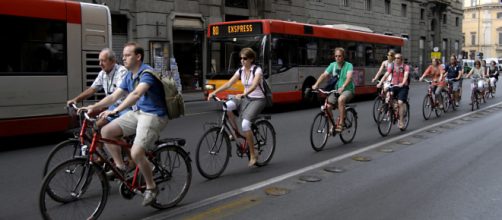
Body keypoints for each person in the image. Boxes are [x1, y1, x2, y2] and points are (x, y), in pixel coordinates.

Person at [81, 42, 168, 206]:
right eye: (123, 56)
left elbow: (136, 94)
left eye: (127, 55)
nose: (124, 58)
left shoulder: (146, 73)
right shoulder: (129, 75)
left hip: (153, 115)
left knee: (136, 153)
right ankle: (121, 166)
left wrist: (115, 111)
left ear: (138, 56)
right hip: (139, 113)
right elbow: (114, 97)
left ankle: (151, 187)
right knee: (106, 131)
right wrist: (93, 106)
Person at [208, 47, 265, 167]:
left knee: (245, 124)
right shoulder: (241, 70)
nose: (242, 61)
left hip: (257, 99)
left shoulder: (257, 70)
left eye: (245, 58)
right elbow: (229, 83)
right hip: (245, 98)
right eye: (241, 58)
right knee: (226, 106)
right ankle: (236, 133)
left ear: (251, 59)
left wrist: (244, 93)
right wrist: (214, 92)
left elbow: (254, 85)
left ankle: (253, 155)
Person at [68, 48, 129, 127]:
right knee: (93, 123)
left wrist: (95, 106)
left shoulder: (122, 72)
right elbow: (92, 89)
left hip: (123, 107)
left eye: (103, 61)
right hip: (112, 106)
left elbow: (115, 96)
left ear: (113, 61)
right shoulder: (102, 73)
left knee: (101, 127)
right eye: (99, 61)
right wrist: (76, 100)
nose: (100, 64)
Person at [312, 47, 355, 134]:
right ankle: (332, 126)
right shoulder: (333, 65)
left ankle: (341, 123)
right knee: (327, 107)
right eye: (336, 56)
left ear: (343, 57)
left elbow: (349, 77)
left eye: (339, 56)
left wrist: (343, 86)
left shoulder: (349, 65)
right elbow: (324, 75)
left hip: (348, 90)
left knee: (341, 99)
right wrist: (316, 84)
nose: (337, 58)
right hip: (335, 91)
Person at [377, 53, 409, 129]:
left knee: (400, 102)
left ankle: (401, 122)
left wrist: (403, 83)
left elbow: (406, 76)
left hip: (402, 87)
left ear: (401, 59)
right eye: (395, 58)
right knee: (388, 97)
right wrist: (380, 83)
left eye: (398, 58)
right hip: (394, 85)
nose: (396, 59)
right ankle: (391, 109)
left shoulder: (405, 67)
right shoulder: (392, 66)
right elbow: (386, 74)